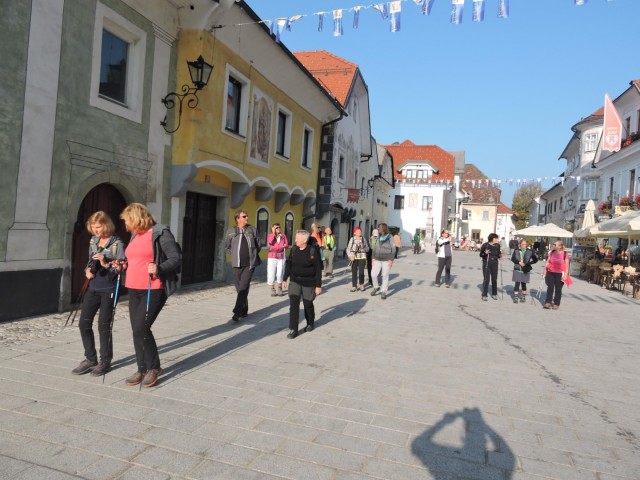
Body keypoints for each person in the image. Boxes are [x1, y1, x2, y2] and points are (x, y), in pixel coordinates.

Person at [120, 203, 181, 387]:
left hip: (153, 288)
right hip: (133, 287)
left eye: (127, 220)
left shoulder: (161, 232)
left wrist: (159, 268)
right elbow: (134, 258)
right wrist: (123, 265)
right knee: (138, 330)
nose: (126, 225)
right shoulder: (135, 234)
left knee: (141, 328)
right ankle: (142, 368)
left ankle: (154, 367)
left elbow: (176, 258)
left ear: (136, 217)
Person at [72, 211, 126, 376]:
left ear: (106, 224)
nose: (96, 230)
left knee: (104, 326)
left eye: (99, 227)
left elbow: (121, 268)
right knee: (84, 324)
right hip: (93, 287)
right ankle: (90, 359)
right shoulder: (93, 240)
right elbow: (90, 260)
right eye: (93, 227)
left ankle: (105, 361)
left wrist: (105, 263)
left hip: (109, 288)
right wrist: (87, 269)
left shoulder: (117, 243)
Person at [282, 230, 322, 339]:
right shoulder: (294, 250)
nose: (295, 240)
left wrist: (318, 286)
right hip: (295, 281)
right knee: (293, 305)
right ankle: (293, 329)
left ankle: (310, 322)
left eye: (298, 239)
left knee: (308, 304)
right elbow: (289, 264)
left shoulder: (312, 251)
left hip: (309, 282)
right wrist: (285, 278)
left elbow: (318, 269)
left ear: (304, 240)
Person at [225, 209, 261, 322]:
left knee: (243, 287)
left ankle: (237, 312)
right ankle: (244, 310)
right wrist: (235, 255)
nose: (246, 218)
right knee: (239, 289)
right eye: (244, 216)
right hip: (236, 264)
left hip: (249, 265)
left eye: (246, 216)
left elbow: (258, 245)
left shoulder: (252, 230)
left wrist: (252, 255)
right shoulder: (231, 231)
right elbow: (227, 247)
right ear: (238, 219)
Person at [370, 223, 397, 300]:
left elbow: (393, 249)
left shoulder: (390, 237)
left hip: (386, 260)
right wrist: (373, 257)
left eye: (379, 228)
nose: (378, 229)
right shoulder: (378, 237)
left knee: (385, 275)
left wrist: (391, 259)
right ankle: (376, 287)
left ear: (383, 228)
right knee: (373, 274)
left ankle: (383, 291)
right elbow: (375, 248)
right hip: (377, 259)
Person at [543, 240, 570, 310]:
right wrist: (545, 272)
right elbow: (547, 262)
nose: (553, 245)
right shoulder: (551, 252)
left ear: (560, 246)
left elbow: (567, 265)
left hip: (560, 273)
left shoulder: (565, 254)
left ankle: (556, 303)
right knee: (550, 288)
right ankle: (548, 302)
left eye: (555, 244)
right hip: (550, 272)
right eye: (553, 244)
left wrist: (566, 275)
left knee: (558, 289)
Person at [511, 239, 538, 303]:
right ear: (520, 244)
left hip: (525, 269)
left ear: (527, 245)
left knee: (523, 284)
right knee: (517, 284)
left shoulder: (530, 251)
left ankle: (523, 297)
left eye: (525, 244)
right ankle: (515, 297)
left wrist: (529, 263)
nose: (523, 245)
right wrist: (519, 262)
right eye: (522, 244)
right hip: (517, 269)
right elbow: (513, 259)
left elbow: (535, 260)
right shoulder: (516, 250)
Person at [266, 222, 288, 296]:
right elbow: (270, 242)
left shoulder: (283, 236)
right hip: (272, 256)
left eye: (279, 227)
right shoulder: (270, 236)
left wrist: (285, 246)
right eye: (276, 228)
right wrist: (273, 233)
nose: (278, 229)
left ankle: (279, 287)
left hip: (281, 256)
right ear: (273, 229)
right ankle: (272, 289)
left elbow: (287, 246)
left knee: (280, 273)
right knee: (271, 273)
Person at [346, 226, 369, 292]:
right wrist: (350, 256)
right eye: (358, 232)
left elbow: (367, 249)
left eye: (360, 231)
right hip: (354, 257)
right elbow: (348, 249)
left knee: (361, 272)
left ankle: (361, 285)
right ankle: (354, 286)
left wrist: (364, 248)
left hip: (362, 257)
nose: (359, 233)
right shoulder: (352, 239)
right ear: (355, 233)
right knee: (354, 272)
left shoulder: (363, 239)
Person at [480, 233, 501, 301]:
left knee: (494, 279)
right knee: (486, 279)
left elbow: (498, 254)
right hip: (487, 263)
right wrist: (485, 253)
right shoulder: (485, 245)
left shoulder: (497, 245)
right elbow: (481, 254)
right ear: (492, 239)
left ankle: (494, 294)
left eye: (497, 238)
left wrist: (500, 256)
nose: (497, 240)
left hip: (495, 263)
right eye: (496, 238)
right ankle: (484, 294)